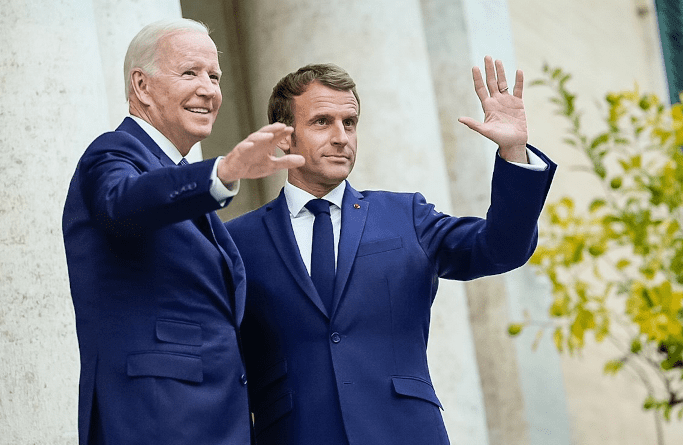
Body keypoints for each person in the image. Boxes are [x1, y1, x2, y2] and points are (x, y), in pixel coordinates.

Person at [225, 60, 556, 444]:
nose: (341, 137)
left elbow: (500, 248)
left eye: (349, 123)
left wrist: (513, 150)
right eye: (322, 122)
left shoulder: (406, 216)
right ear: (284, 136)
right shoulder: (239, 241)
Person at [61, 19, 303, 445]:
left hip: (210, 420)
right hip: (154, 419)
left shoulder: (175, 172)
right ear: (141, 85)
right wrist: (222, 172)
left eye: (215, 76)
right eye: (190, 73)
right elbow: (123, 203)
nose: (209, 89)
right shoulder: (114, 151)